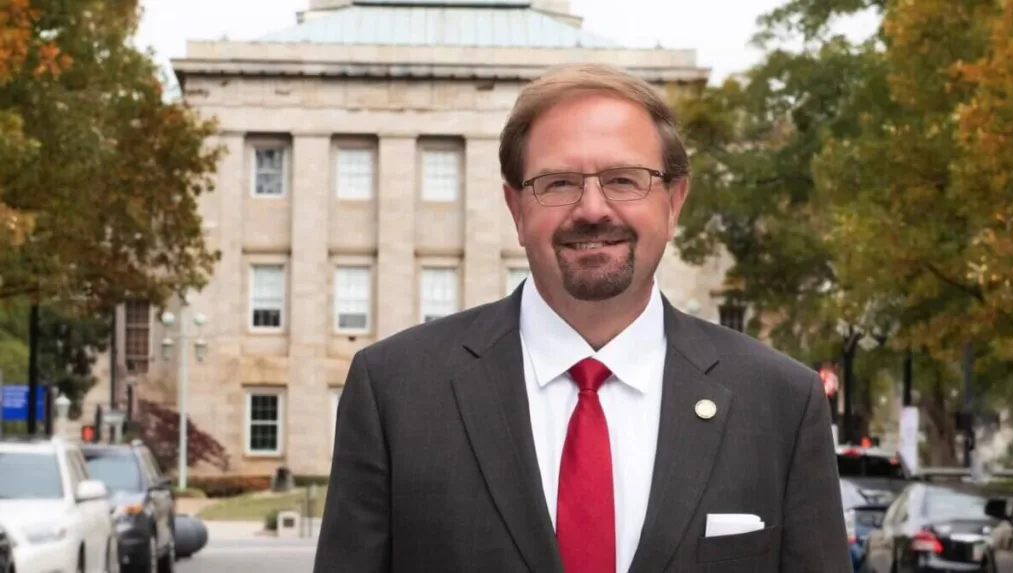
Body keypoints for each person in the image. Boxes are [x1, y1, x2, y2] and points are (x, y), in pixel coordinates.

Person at [313, 63, 852, 573]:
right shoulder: (395, 393)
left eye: (623, 180)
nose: (592, 209)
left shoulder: (781, 403)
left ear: (674, 202)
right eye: (559, 183)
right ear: (516, 209)